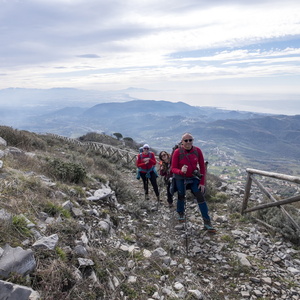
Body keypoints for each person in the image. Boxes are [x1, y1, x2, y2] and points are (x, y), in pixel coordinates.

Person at [171, 133, 216, 232]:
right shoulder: (178, 152)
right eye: (186, 140)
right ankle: (180, 212)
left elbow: (202, 167)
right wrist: (180, 171)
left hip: (193, 177)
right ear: (182, 142)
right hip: (181, 177)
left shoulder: (197, 151)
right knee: (181, 194)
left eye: (190, 140)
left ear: (193, 141)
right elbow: (173, 168)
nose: (188, 142)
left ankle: (207, 221)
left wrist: (202, 183)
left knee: (200, 196)